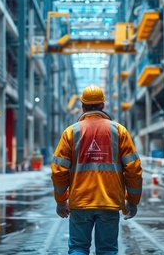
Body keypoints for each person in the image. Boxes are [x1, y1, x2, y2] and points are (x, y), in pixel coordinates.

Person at [51, 84, 143, 255]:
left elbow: (59, 170)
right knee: (107, 250)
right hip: (109, 202)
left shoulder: (70, 132)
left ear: (82, 106)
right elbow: (134, 169)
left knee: (78, 248)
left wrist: (61, 200)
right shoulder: (119, 131)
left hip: (80, 202)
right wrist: (132, 200)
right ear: (103, 105)